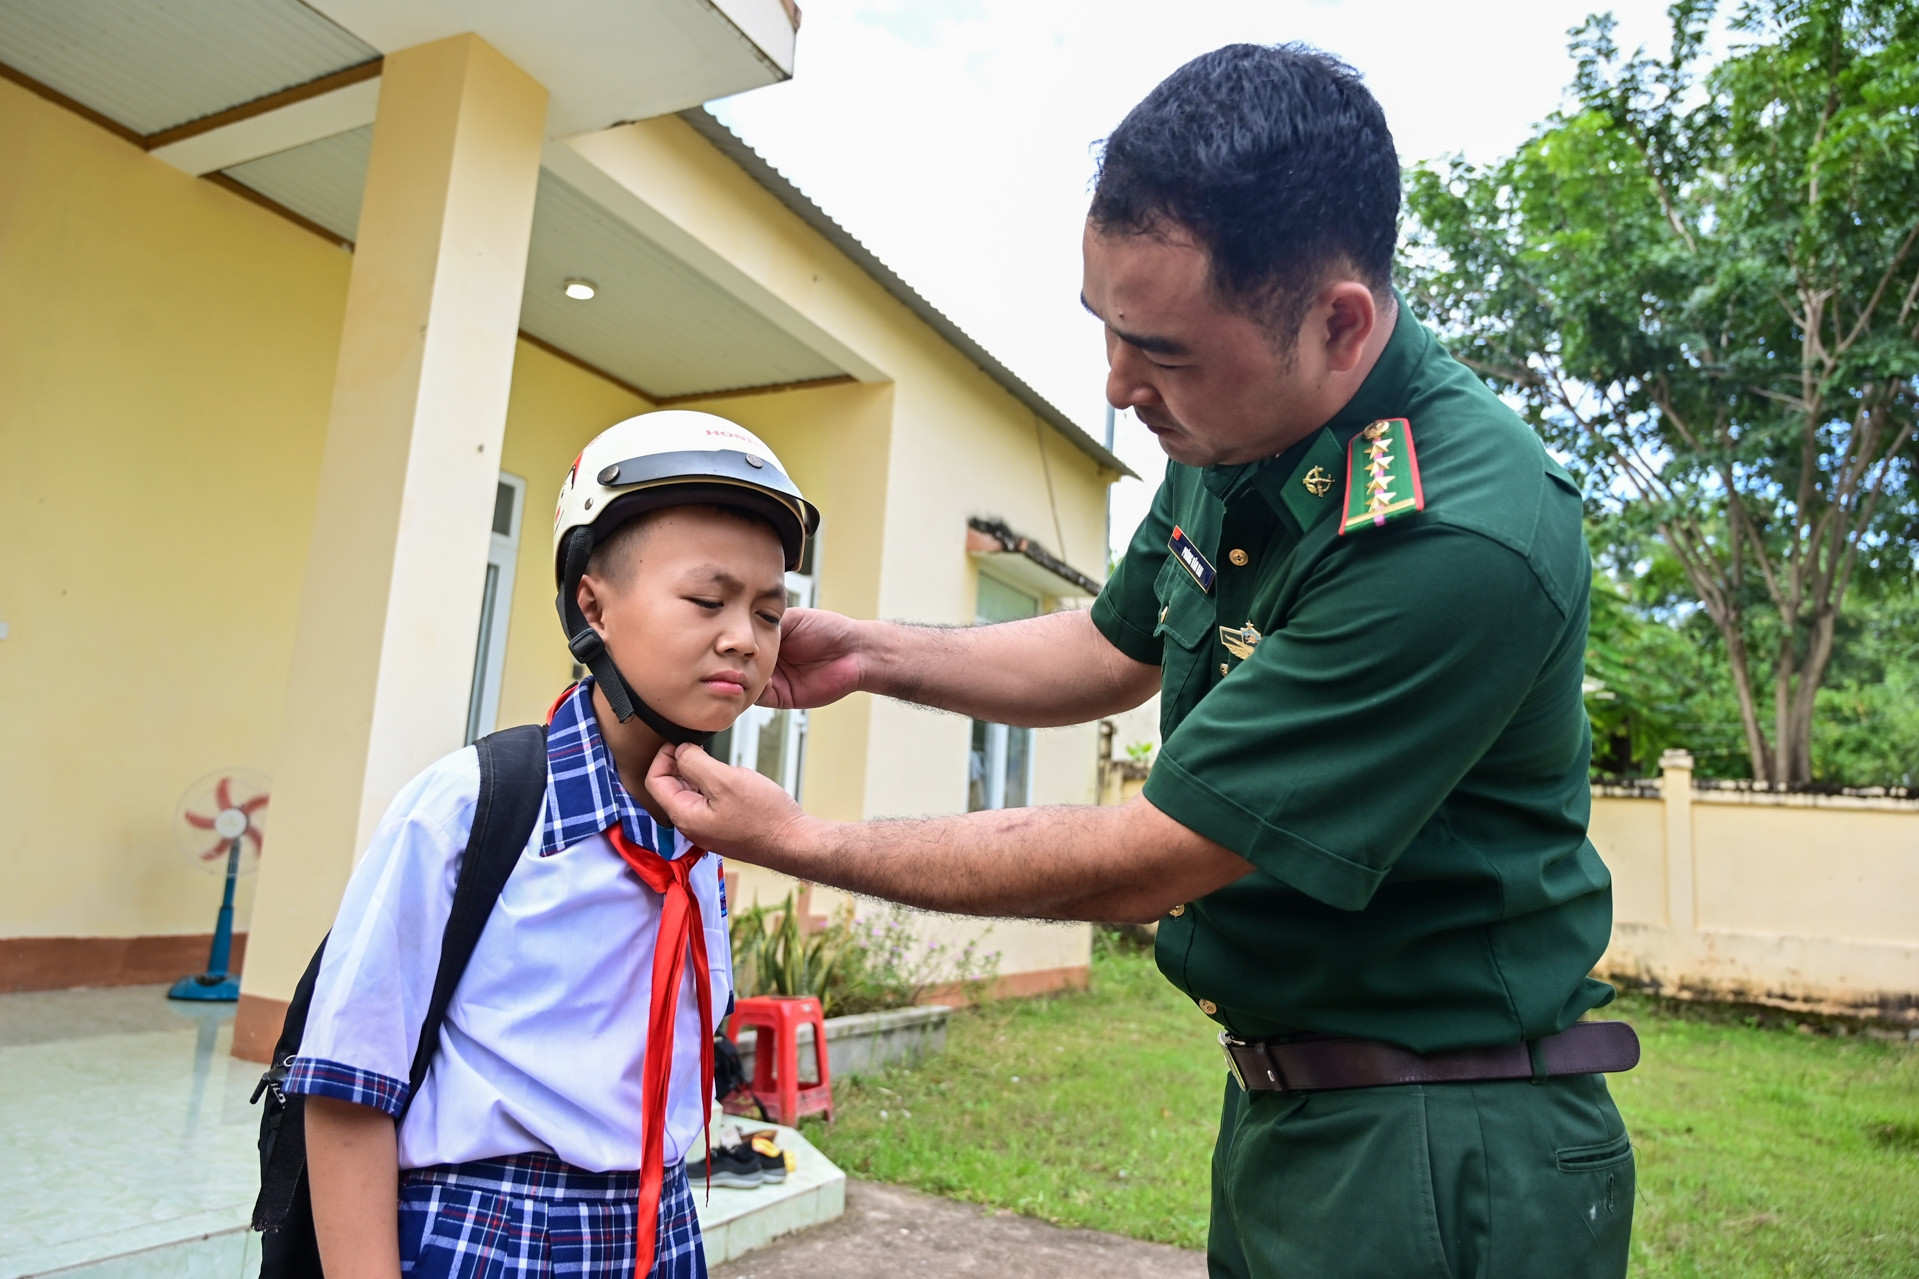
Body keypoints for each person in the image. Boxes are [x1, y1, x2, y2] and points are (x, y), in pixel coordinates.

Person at [644, 44, 1636, 1279]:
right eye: (1105, 329)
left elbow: (1151, 858)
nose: (1117, 386)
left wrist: (805, 842)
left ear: (1336, 324)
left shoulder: (1456, 535)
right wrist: (871, 653)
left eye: (1158, 349)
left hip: (1436, 1139)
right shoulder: (1236, 419)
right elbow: (1113, 646)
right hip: (1298, 1106)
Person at [289, 410, 820, 1279]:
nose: (743, 638)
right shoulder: (472, 805)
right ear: (592, 603)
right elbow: (348, 1083)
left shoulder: (703, 838)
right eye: (706, 598)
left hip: (658, 1228)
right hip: (490, 1233)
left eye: (769, 612)